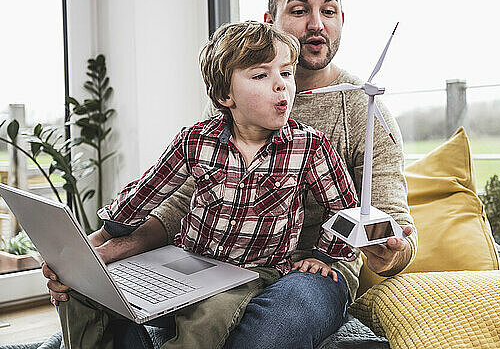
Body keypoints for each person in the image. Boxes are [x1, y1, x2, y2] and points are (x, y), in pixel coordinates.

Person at [45, 0, 419, 348]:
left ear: (341, 18)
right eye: (298, 10)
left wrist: (385, 251)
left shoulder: (358, 112)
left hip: (307, 269)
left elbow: (387, 220)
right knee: (95, 309)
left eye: (328, 11)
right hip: (212, 258)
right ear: (270, 20)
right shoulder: (224, 111)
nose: (316, 24)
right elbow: (182, 197)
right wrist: (106, 248)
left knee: (264, 336)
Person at [56, 20, 360, 349]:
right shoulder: (195, 139)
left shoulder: (309, 146)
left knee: (208, 316)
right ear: (224, 95)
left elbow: (343, 207)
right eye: (261, 75)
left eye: (286, 73)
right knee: (82, 289)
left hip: (254, 273)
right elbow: (147, 191)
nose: (281, 86)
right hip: (189, 261)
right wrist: (109, 231)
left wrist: (326, 256)